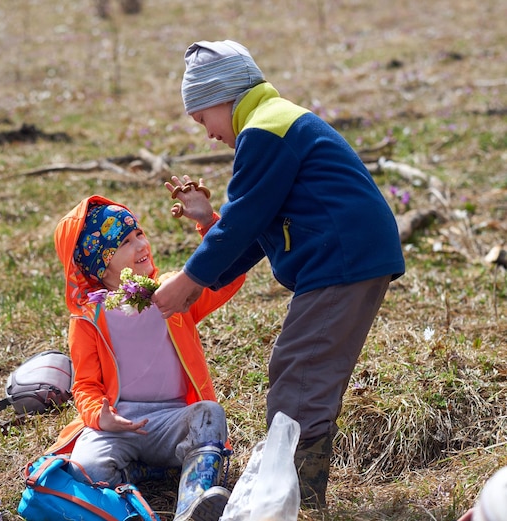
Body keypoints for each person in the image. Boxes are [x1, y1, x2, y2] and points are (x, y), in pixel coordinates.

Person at [152, 40, 406, 509]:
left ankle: (298, 502)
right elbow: (253, 231)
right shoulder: (271, 121)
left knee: (300, 374)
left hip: (342, 260)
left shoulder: (265, 130)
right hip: (343, 257)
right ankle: (293, 493)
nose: (207, 133)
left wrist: (189, 279)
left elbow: (245, 218)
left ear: (221, 96)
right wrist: (207, 242)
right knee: (300, 369)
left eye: (201, 118)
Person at [45, 182, 246, 521]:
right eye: (124, 242)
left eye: (138, 233)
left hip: (173, 418)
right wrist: (100, 417)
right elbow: (85, 385)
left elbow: (228, 278)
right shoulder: (87, 319)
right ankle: (144, 477)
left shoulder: (172, 292)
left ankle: (192, 505)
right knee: (85, 466)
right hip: (120, 424)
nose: (141, 245)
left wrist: (209, 222)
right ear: (101, 266)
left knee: (210, 414)